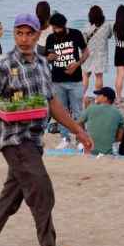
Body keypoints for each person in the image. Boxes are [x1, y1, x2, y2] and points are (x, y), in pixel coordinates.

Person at [0, 13, 93, 246]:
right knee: (42, 192)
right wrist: (2, 114)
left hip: (35, 140)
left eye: (29, 34)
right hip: (15, 141)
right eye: (19, 33)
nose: (24, 39)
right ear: (14, 35)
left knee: (10, 197)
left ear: (39, 35)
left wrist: (78, 132)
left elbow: (53, 104)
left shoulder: (41, 63)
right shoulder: (2, 65)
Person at [45, 13, 90, 149]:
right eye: (54, 28)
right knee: (62, 112)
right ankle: (65, 138)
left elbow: (86, 52)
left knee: (78, 111)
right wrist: (50, 58)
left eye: (58, 28)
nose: (56, 31)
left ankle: (80, 138)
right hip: (57, 80)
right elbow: (46, 58)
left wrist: (77, 64)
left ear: (64, 25)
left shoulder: (75, 34)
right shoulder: (51, 37)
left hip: (75, 79)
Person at [77, 87, 124, 155]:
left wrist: (84, 135)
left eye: (99, 95)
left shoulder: (91, 108)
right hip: (108, 152)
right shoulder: (118, 113)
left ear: (105, 98)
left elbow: (79, 123)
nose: (96, 97)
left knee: (79, 140)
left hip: (89, 149)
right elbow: (120, 137)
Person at [82, 5, 113, 107]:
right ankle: (98, 98)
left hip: (88, 53)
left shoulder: (87, 26)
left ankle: (81, 95)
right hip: (101, 53)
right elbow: (109, 36)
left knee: (86, 75)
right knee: (99, 76)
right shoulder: (107, 25)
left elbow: (83, 38)